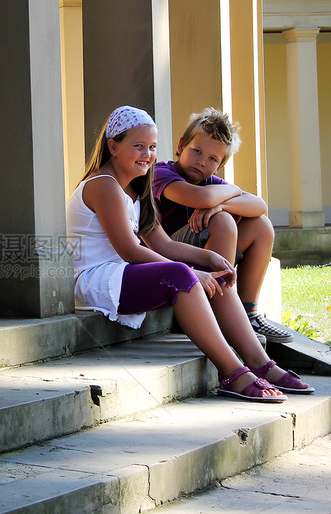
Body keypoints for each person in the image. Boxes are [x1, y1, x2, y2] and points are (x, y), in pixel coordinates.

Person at [66, 106, 313, 402]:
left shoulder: (136, 188)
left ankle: (261, 363)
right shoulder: (103, 185)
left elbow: (163, 244)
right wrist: (192, 272)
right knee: (181, 275)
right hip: (97, 281)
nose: (147, 154)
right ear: (113, 146)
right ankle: (233, 372)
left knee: (208, 274)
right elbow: (130, 250)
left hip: (122, 276)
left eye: (152, 147)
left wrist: (208, 259)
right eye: (138, 146)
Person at [152, 107, 293, 344]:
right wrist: (231, 195)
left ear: (219, 166)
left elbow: (259, 205)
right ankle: (219, 313)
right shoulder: (161, 174)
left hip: (200, 255)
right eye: (196, 151)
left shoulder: (211, 182)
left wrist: (222, 205)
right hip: (165, 254)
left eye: (212, 159)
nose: (201, 162)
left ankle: (247, 313)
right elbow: (203, 199)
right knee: (223, 221)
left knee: (261, 226)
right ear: (180, 146)